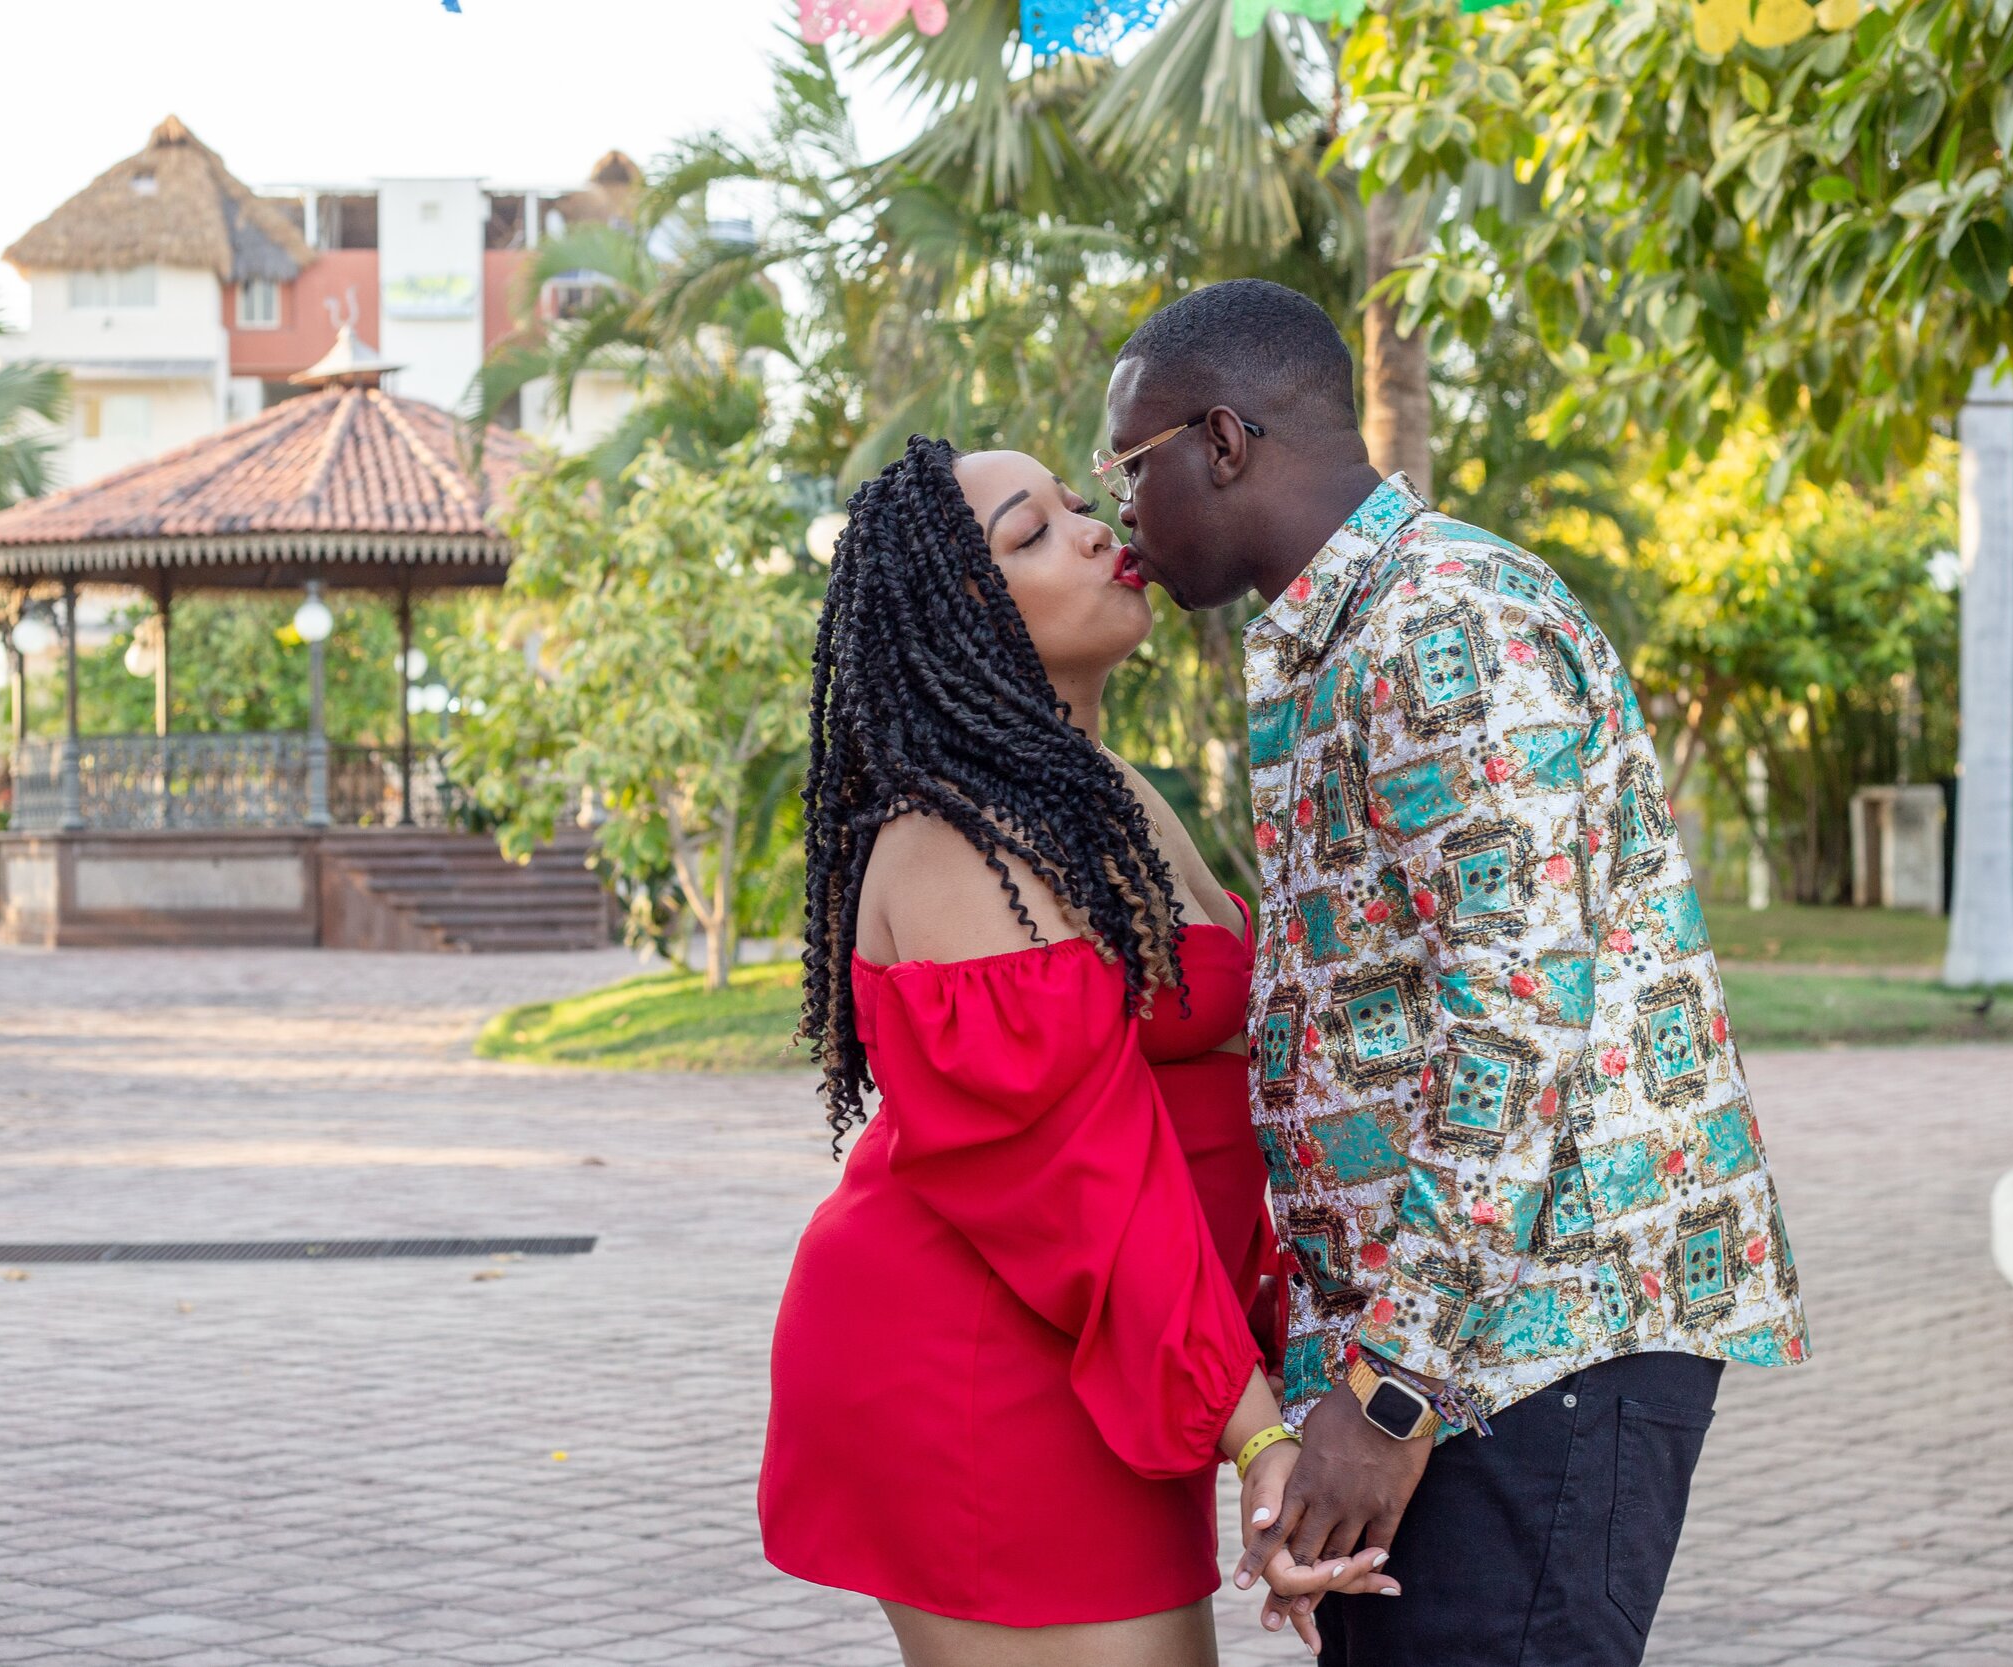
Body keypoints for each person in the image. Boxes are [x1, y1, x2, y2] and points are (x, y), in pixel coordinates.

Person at [1100, 279, 1812, 1667]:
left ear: (1225, 440)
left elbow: (1515, 1023)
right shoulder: (1336, 637)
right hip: (1438, 1341)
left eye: (1130, 466)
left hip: (1541, 1334)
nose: (1120, 509)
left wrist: (1386, 1397)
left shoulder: (1446, 621)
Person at [760, 436, 1393, 1665]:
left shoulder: (1096, 789)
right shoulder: (957, 838)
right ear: (958, 616)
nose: (1099, 530)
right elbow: (1082, 1178)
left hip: (1121, 1356)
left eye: (1076, 502)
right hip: (983, 1365)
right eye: (1030, 531)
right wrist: (1258, 1436)